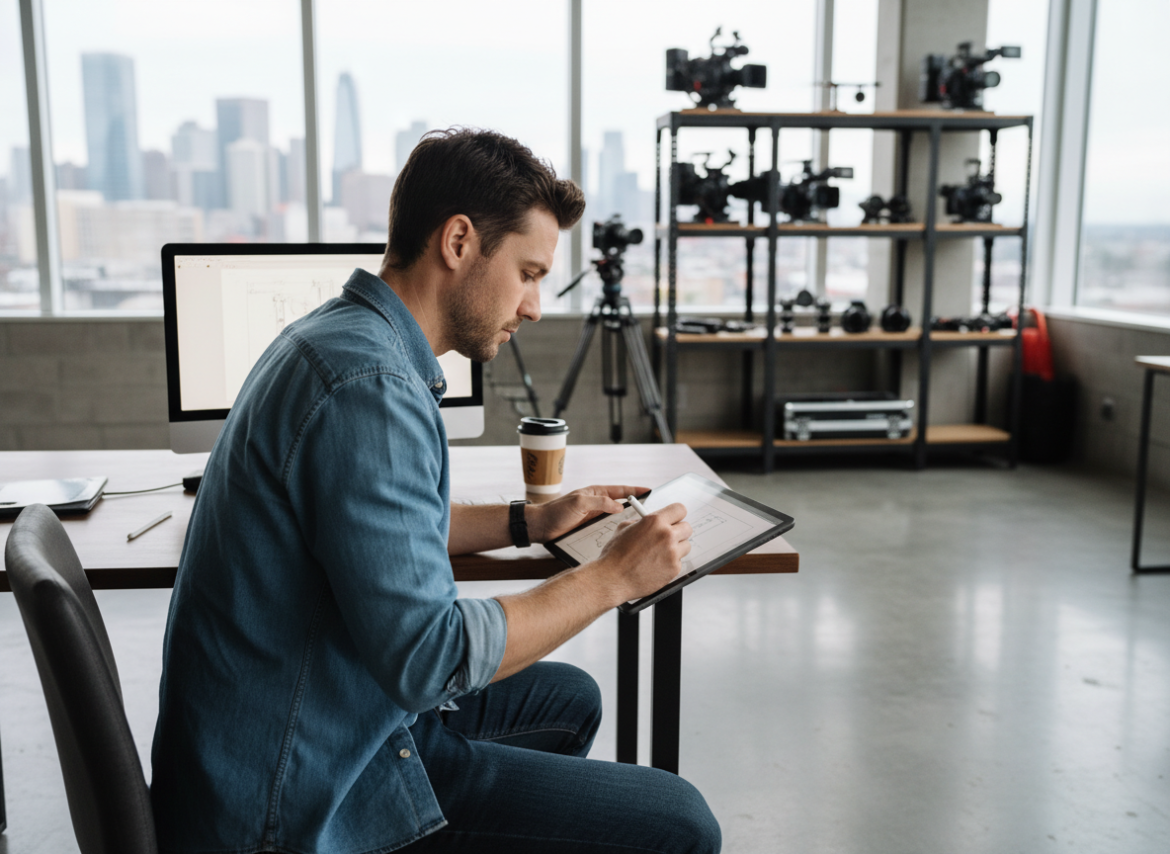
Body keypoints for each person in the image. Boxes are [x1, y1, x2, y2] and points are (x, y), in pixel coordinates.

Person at [151, 128, 721, 854]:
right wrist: (613, 578)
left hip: (302, 727)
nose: (537, 305)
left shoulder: (339, 338)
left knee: (567, 699)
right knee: (682, 824)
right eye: (529, 272)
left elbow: (375, 536)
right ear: (458, 242)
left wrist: (530, 520)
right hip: (298, 796)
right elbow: (430, 659)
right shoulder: (372, 388)